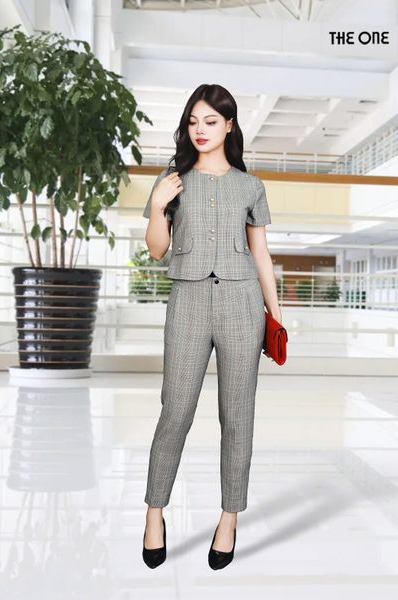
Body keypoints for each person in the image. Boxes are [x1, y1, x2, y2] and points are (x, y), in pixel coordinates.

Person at [142, 84, 282, 569]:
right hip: (187, 302)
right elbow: (156, 250)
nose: (200, 130)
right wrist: (158, 205)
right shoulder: (171, 180)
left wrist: (275, 317)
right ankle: (154, 513)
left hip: (243, 305)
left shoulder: (250, 186)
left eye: (210, 121)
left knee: (237, 416)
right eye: (193, 122)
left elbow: (261, 255)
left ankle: (229, 518)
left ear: (229, 126)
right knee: (176, 409)